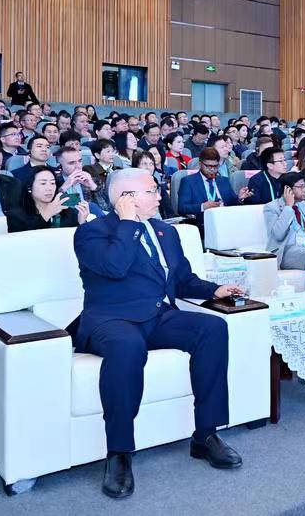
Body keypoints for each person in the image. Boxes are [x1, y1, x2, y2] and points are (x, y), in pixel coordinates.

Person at [73, 168, 244, 499]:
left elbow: (182, 280)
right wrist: (128, 223)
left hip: (158, 316)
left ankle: (206, 434)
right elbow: (114, 267)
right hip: (111, 319)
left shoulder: (166, 231)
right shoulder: (92, 232)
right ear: (126, 198)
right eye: (151, 191)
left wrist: (214, 289)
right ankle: (119, 453)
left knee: (213, 327)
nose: (160, 195)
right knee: (127, 346)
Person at [264, 172, 305, 273]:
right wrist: (288, 207)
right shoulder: (272, 208)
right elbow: (278, 235)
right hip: (286, 251)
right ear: (288, 189)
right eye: (301, 187)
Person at [7, 165, 89, 232]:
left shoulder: (66, 211)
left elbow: (79, 239)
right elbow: (22, 239)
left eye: (52, 183)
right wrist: (48, 213)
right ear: (29, 187)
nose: (49, 188)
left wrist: (81, 222)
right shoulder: (17, 215)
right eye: (43, 183)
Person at [177, 148, 247, 217]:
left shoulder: (224, 181)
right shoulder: (188, 181)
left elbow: (231, 203)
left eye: (215, 166)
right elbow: (182, 208)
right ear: (200, 164)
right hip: (203, 219)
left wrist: (239, 198)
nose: (212, 169)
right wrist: (203, 206)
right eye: (208, 166)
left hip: (224, 217)